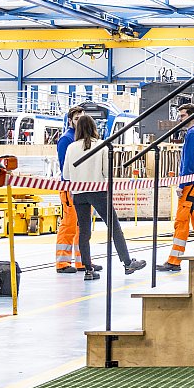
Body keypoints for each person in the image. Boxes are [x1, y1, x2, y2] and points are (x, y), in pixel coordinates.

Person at [64, 114, 146, 280]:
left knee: (84, 232)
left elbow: (66, 174)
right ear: (94, 127)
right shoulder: (101, 146)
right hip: (98, 192)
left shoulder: (71, 147)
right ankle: (127, 263)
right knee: (114, 227)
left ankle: (88, 269)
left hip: (78, 194)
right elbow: (107, 172)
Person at [157, 101, 194, 273]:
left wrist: (182, 184)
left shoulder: (192, 134)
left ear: (192, 116)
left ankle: (174, 261)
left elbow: (188, 162)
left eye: (183, 116)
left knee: (181, 222)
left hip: (191, 185)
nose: (180, 119)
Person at [53, 107, 83, 273]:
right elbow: (64, 166)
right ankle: (62, 262)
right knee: (69, 224)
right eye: (77, 118)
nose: (80, 121)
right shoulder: (66, 139)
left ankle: (82, 261)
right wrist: (71, 186)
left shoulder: (81, 138)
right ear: (70, 121)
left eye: (82, 118)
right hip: (70, 188)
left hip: (82, 188)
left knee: (82, 227)